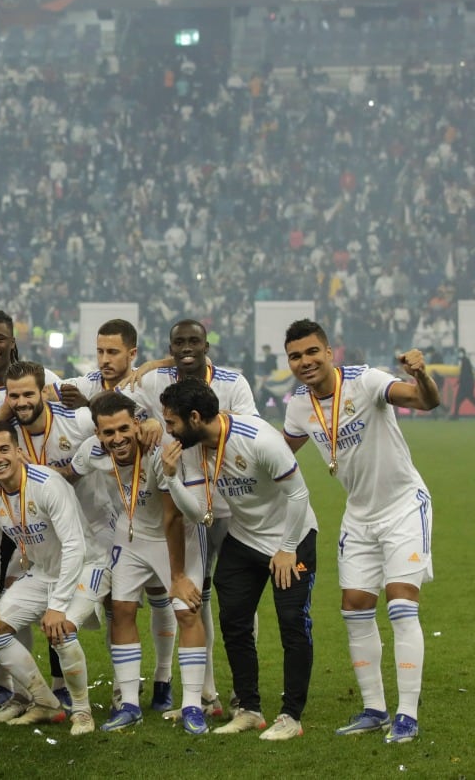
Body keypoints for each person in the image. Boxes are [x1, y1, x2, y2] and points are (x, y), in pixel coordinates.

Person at [282, 320, 437, 744]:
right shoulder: (298, 406)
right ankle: (374, 709)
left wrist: (421, 374)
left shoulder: (366, 381)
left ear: (330, 352)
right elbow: (276, 452)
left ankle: (407, 714)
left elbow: (426, 402)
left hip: (404, 505)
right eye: (295, 356)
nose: (305, 362)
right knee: (354, 608)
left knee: (402, 604)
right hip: (360, 516)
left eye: (312, 352)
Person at [158, 380, 317, 742]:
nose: (169, 431)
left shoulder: (258, 438)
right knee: (234, 623)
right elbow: (197, 513)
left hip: (292, 538)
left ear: (195, 417)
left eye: (172, 423)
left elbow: (299, 494)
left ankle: (291, 715)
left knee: (292, 623)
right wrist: (171, 479)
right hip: (244, 539)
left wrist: (288, 548)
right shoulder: (193, 449)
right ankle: (249, 709)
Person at [135, 317, 259, 714]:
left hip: (233, 505)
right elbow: (123, 405)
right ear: (169, 347)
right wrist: (147, 419)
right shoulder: (154, 383)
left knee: (240, 601)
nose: (187, 348)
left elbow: (247, 429)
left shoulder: (232, 383)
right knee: (198, 596)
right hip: (189, 507)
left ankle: (242, 688)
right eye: (178, 343)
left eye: (194, 341)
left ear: (207, 345)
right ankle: (207, 691)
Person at [83, 392, 209, 735]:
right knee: (121, 610)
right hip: (131, 534)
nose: (117, 438)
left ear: (137, 424)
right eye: (108, 432)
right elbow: (68, 472)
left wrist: (178, 575)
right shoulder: (91, 453)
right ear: (97, 434)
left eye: (124, 428)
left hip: (177, 536)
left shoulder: (158, 452)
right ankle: (129, 705)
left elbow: (173, 518)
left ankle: (193, 706)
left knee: (187, 611)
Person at [0, 420, 94, 732]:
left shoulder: (47, 483)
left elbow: (74, 545)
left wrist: (58, 605)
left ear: (18, 451)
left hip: (85, 567)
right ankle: (44, 702)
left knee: (62, 631)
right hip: (42, 572)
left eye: (4, 449)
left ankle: (82, 711)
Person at [450, 349, 475, 418]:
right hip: (465, 385)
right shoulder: (465, 361)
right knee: (460, 400)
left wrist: (459, 382)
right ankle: (455, 415)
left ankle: (455, 415)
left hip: (466, 386)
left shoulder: (465, 361)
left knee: (460, 400)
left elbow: (465, 375)